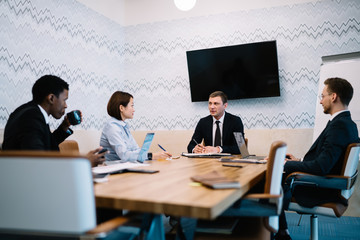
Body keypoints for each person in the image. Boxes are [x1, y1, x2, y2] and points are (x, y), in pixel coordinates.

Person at [275, 77, 360, 240]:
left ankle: (279, 233)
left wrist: (288, 164)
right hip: (328, 185)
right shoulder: (347, 123)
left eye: (322, 96)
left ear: (333, 97)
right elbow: (327, 160)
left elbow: (322, 167)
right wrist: (299, 161)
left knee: (270, 184)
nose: (321, 101)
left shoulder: (339, 125)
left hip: (321, 189)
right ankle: (281, 231)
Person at [2, 75, 106, 167]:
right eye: (64, 100)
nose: (66, 105)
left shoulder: (26, 111)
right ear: (51, 98)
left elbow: (44, 145)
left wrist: (64, 126)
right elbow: (39, 162)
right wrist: (83, 162)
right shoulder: (31, 117)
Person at [100, 91, 172, 162]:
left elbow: (136, 149)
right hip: (112, 169)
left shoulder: (124, 126)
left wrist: (155, 155)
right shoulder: (112, 127)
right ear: (121, 108)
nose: (134, 110)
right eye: (132, 105)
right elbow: (124, 155)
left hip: (124, 166)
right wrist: (152, 156)